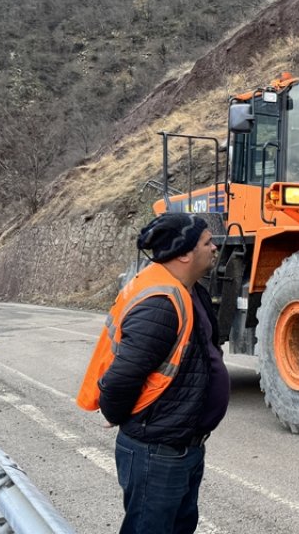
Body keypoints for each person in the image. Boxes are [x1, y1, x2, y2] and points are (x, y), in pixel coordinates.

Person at [76, 213, 230, 534]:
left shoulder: (190, 290)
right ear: (185, 253)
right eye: (206, 242)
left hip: (182, 445)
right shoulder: (161, 303)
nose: (215, 248)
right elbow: (122, 377)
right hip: (157, 452)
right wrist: (116, 412)